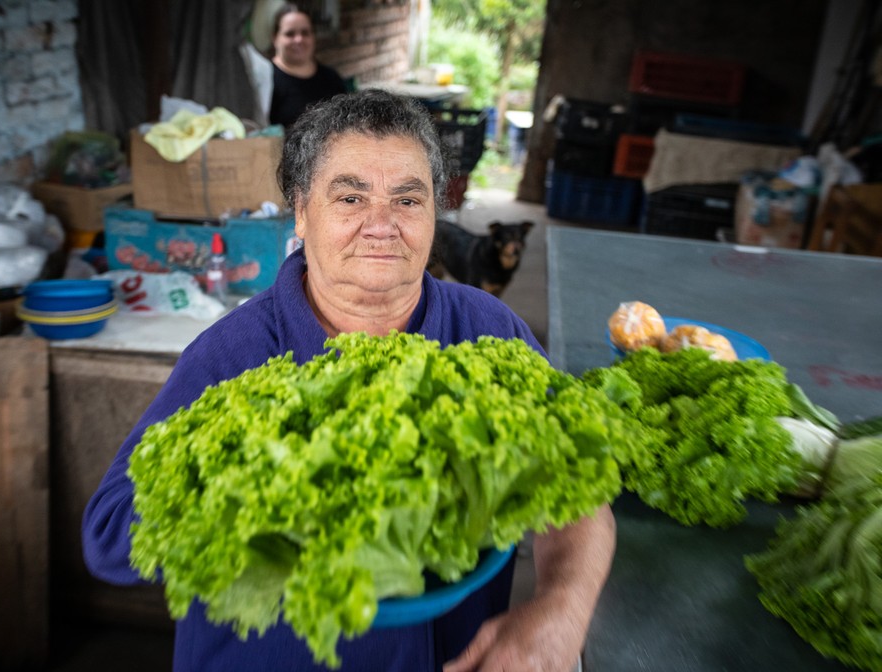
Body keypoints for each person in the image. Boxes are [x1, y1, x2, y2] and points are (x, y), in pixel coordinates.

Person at [82, 89, 616, 672]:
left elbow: (577, 484)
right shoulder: (235, 353)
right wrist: (272, 486)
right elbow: (109, 537)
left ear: (437, 210)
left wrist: (562, 612)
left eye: (407, 199)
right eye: (350, 196)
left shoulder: (486, 329)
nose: (381, 225)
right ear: (302, 210)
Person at [268, 3, 348, 128]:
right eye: (290, 34)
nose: (299, 39)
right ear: (275, 38)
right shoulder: (265, 81)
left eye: (305, 33)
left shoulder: (331, 78)